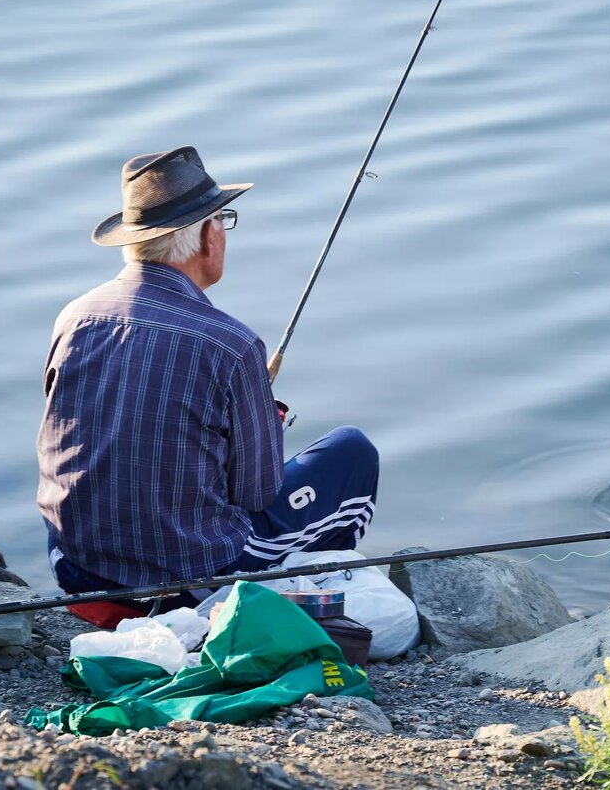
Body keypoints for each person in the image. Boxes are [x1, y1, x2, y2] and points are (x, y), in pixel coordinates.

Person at [36, 146, 379, 608]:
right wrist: (261, 426)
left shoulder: (74, 318)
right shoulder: (230, 345)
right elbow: (257, 493)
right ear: (207, 238)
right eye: (224, 219)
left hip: (76, 568)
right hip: (192, 574)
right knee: (351, 454)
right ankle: (306, 605)